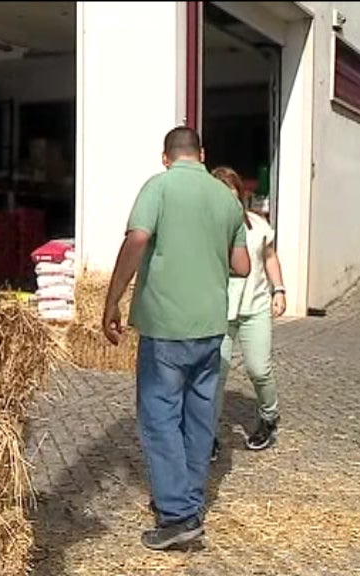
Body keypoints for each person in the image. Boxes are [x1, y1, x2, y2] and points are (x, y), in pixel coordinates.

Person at [101, 127, 250, 551]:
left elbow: (139, 238)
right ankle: (189, 500)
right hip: (210, 326)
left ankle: (178, 517)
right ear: (201, 154)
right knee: (199, 418)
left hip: (166, 326)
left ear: (165, 157)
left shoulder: (158, 187)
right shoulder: (226, 198)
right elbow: (240, 265)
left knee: (161, 418)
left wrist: (113, 299)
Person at [210, 166, 286, 452]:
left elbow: (270, 257)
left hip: (255, 307)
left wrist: (278, 289)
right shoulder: (207, 229)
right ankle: (209, 434)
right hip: (220, 311)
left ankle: (268, 416)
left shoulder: (257, 226)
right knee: (215, 373)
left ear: (241, 197)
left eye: (233, 197)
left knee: (259, 369)